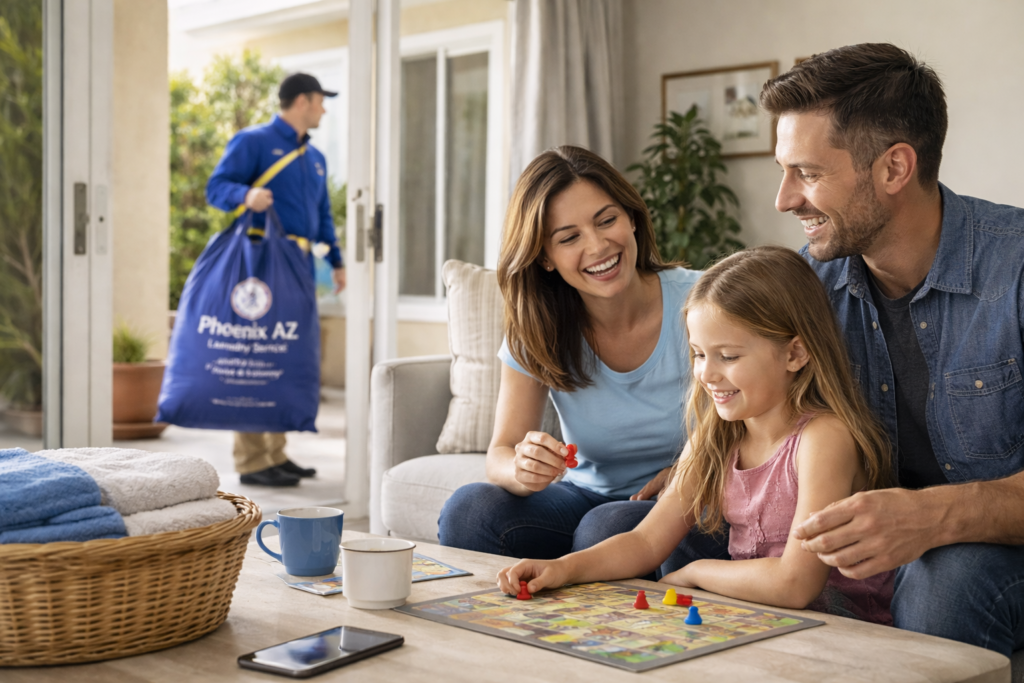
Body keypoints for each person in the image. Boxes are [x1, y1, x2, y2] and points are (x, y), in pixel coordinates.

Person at [762, 43, 1024, 655]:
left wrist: (936, 516)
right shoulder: (812, 286)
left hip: (997, 557)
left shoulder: (1014, 268)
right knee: (637, 529)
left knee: (946, 580)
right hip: (870, 547)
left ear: (893, 168)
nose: (784, 199)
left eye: (808, 172)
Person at [498, 246, 896, 623]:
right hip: (758, 617)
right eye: (699, 354)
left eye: (729, 356)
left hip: (838, 628)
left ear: (794, 354)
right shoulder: (717, 438)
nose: (706, 373)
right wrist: (561, 569)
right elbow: (645, 542)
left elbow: (795, 585)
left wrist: (696, 572)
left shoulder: (822, 439)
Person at [438, 146, 719, 565]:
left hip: (688, 499)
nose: (599, 245)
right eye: (569, 238)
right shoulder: (540, 328)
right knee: (470, 510)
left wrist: (690, 472)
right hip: (585, 497)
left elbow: (766, 428)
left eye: (607, 220)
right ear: (545, 258)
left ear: (632, 219)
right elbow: (501, 451)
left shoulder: (705, 302)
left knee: (602, 529)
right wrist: (521, 469)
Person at [206, 72, 346, 487]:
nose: (324, 108)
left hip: (300, 265)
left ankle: (276, 454)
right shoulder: (253, 141)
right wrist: (245, 196)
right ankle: (251, 461)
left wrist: (337, 261)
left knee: (284, 355)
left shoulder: (315, 159)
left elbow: (322, 217)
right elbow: (216, 187)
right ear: (303, 100)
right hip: (261, 263)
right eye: (321, 100)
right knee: (255, 357)